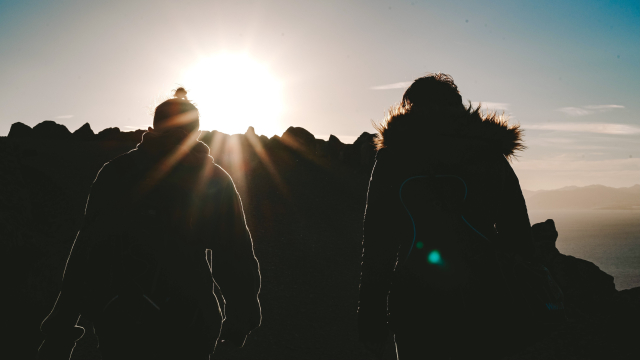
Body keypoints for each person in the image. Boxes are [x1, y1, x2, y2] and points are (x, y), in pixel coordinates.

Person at [38, 88, 261, 360]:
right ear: (197, 131)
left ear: (155, 126)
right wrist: (241, 315)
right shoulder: (214, 178)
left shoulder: (117, 172)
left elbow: (87, 249)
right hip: (191, 321)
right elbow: (234, 252)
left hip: (121, 319)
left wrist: (61, 327)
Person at [358, 74, 535, 359]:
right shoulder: (488, 153)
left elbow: (378, 244)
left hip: (417, 302)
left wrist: (370, 317)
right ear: (459, 107)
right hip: (488, 297)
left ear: (410, 107)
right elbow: (519, 236)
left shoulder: (394, 159)